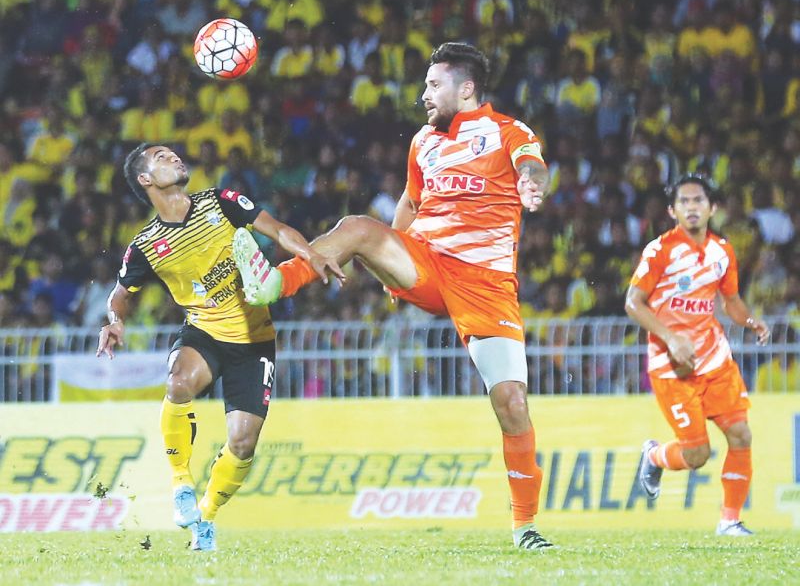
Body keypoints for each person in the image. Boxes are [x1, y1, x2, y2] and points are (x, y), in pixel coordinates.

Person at [234, 42, 553, 549]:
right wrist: (391, 263)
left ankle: (525, 526)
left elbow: (531, 165)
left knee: (511, 403)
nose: (423, 94)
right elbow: (409, 200)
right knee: (359, 226)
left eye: (433, 85)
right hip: (426, 263)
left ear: (465, 88)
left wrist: (533, 186)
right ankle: (278, 281)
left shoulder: (506, 131)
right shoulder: (423, 142)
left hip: (485, 283)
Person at [96, 143, 343, 551]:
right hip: (204, 331)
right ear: (145, 180)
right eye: (161, 157)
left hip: (254, 340)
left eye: (173, 153)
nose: (174, 157)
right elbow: (119, 293)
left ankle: (205, 518)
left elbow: (278, 230)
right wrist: (116, 322)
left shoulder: (222, 201)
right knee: (177, 383)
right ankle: (180, 485)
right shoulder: (146, 243)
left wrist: (311, 254)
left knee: (243, 443)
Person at [625, 173, 770, 537]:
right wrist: (671, 338)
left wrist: (751, 321)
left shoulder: (723, 251)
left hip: (714, 359)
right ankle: (655, 456)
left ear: (712, 207)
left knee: (741, 435)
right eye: (684, 202)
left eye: (699, 201)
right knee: (697, 455)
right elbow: (633, 303)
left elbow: (731, 301)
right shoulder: (660, 250)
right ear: (673, 210)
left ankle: (729, 522)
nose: (692, 207)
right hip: (671, 367)